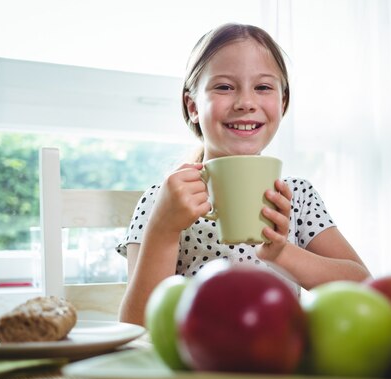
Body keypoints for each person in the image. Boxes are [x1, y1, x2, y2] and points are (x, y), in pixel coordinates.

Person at [117, 23, 369, 325]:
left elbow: (365, 288)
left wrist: (282, 253)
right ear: (193, 105)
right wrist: (164, 229)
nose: (246, 103)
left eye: (263, 87)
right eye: (224, 87)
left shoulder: (297, 196)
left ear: (282, 102)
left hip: (276, 360)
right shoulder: (163, 200)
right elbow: (135, 326)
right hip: (196, 365)